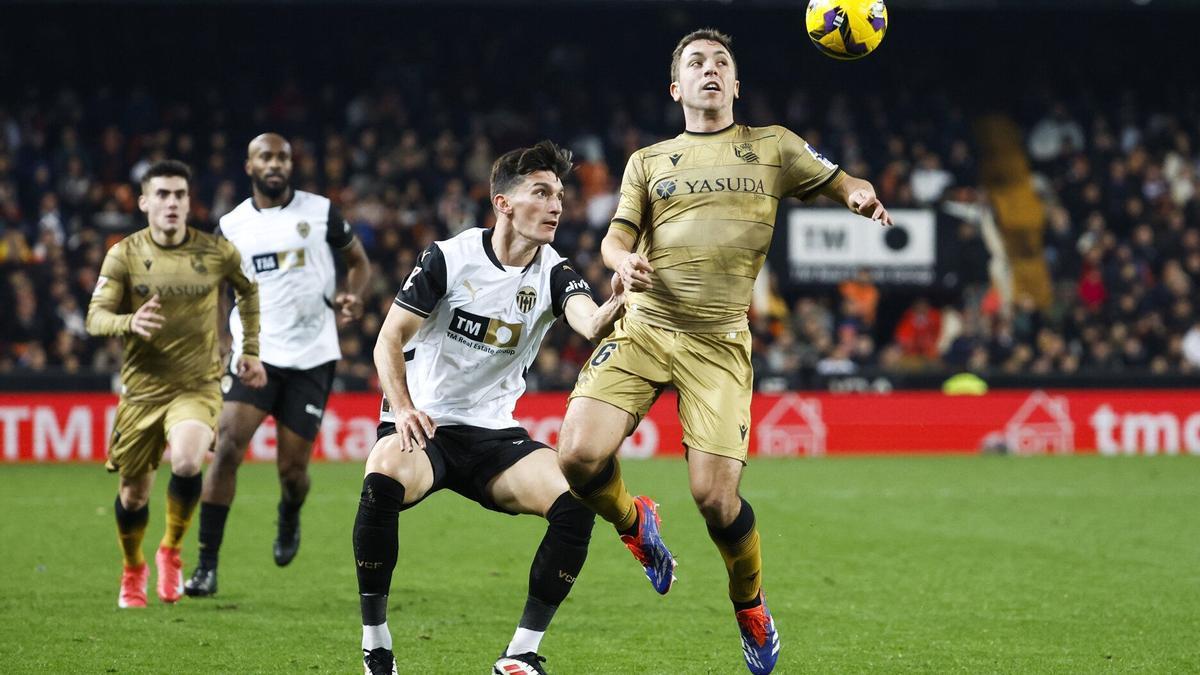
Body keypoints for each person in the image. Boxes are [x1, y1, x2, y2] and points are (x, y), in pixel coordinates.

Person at [555, 29, 892, 675]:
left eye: (721, 63)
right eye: (696, 63)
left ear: (735, 84)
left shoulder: (774, 146)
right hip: (645, 325)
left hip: (718, 342)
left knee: (715, 499)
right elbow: (613, 239)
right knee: (576, 454)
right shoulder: (649, 161)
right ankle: (635, 521)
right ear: (676, 87)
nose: (710, 70)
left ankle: (750, 602)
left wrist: (855, 194)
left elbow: (846, 179)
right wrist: (623, 259)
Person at [352, 141, 625, 675]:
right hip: (425, 427)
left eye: (560, 196)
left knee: (576, 501)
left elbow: (589, 323)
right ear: (503, 203)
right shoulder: (448, 258)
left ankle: (520, 655)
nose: (556, 206)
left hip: (495, 437)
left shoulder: (553, 270)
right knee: (383, 475)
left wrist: (617, 299)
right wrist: (403, 408)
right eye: (541, 193)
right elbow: (388, 340)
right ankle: (376, 642)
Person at [184, 133, 371, 596]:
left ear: (291, 165)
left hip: (311, 357)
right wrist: (226, 344)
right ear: (249, 166)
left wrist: (354, 296)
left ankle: (289, 512)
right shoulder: (231, 226)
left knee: (293, 473)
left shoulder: (321, 211)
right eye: (265, 157)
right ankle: (206, 566)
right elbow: (215, 290)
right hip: (256, 353)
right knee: (227, 445)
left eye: (283, 157)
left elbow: (359, 263)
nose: (275, 163)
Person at [86, 159, 265, 608]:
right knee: (133, 495)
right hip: (143, 389)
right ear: (144, 202)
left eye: (179, 195)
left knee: (187, 462)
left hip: (198, 385)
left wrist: (249, 350)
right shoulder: (123, 254)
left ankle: (171, 550)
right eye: (162, 194)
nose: (171, 203)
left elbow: (248, 292)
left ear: (189, 202)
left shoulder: (215, 253)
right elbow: (95, 317)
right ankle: (133, 568)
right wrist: (130, 320)